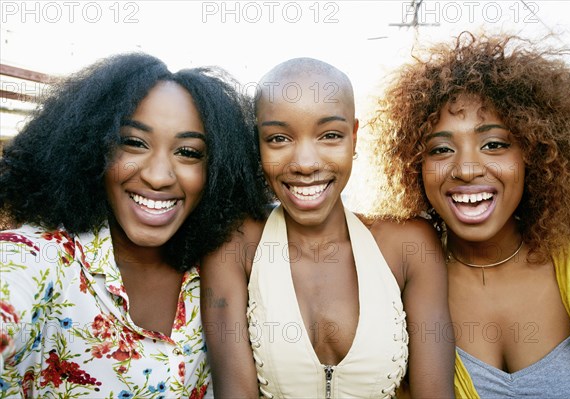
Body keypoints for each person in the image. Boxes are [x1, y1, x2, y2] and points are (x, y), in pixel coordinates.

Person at [0, 53, 268, 397]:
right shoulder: (42, 257)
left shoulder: (221, 262)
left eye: (188, 152)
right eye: (134, 143)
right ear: (93, 147)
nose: (158, 176)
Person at [200, 57, 455, 398]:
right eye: (278, 139)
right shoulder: (235, 246)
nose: (305, 163)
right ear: (257, 144)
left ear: (354, 137)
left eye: (330, 135)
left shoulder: (409, 245)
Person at [370, 32, 570, 398]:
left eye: (494, 144)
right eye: (441, 149)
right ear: (415, 166)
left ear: (534, 154)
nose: (466, 169)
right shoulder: (396, 293)